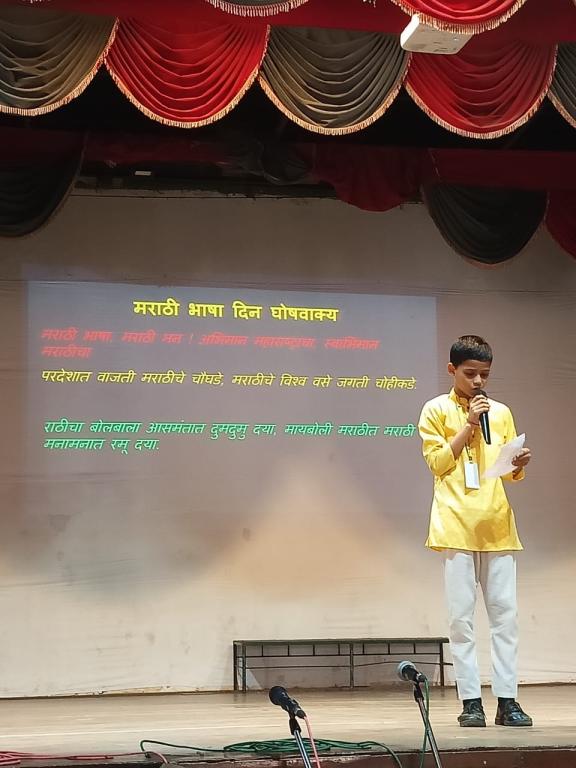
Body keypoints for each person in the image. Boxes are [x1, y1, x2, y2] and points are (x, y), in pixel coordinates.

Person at [418, 335, 532, 728]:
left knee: (505, 618)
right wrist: (467, 425)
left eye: (484, 374)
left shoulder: (501, 412)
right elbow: (437, 463)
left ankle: (508, 701)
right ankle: (471, 702)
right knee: (461, 621)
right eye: (470, 374)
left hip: (497, 524)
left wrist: (518, 463)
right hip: (455, 525)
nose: (478, 381)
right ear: (452, 370)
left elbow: (508, 473)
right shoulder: (435, 409)